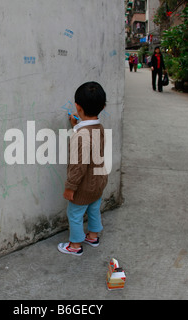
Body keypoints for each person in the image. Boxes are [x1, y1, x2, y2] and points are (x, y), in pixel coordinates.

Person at [58, 82, 109, 256]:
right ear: (102, 107)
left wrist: (70, 187)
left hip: (84, 186)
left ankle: (75, 245)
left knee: (74, 214)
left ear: (78, 107)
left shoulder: (81, 137)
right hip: (99, 182)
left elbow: (78, 166)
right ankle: (93, 236)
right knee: (94, 209)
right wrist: (76, 126)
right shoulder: (100, 129)